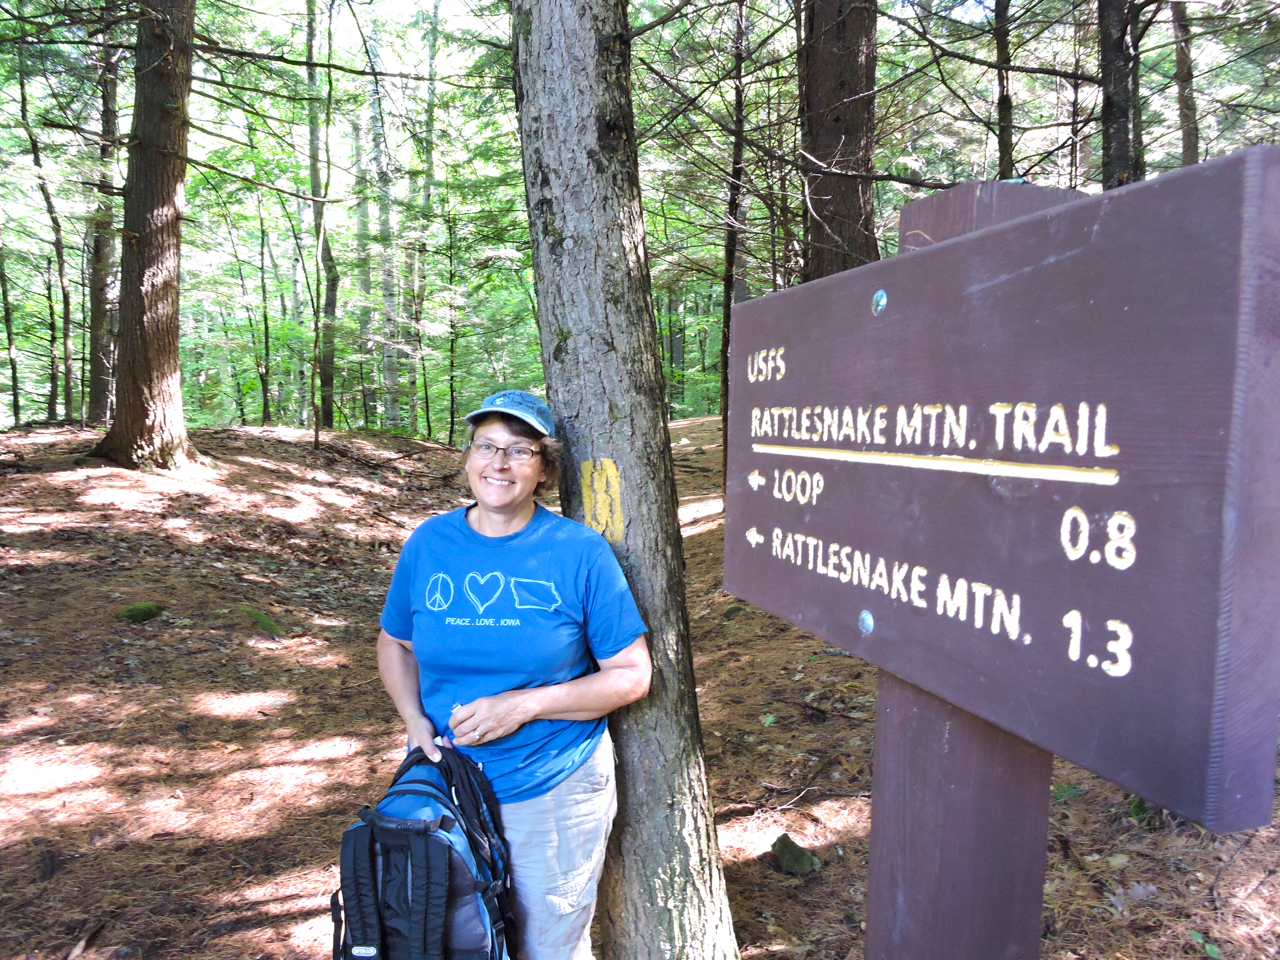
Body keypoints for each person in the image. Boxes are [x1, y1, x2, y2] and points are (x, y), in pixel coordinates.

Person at [377, 389, 652, 960]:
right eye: (487, 446)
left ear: (545, 468)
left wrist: (523, 705)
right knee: (453, 935)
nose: (499, 464)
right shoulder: (430, 543)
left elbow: (631, 675)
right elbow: (396, 642)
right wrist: (412, 720)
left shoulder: (578, 552)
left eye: (520, 451)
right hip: (445, 786)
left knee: (544, 946)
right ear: (469, 456)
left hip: (549, 785)